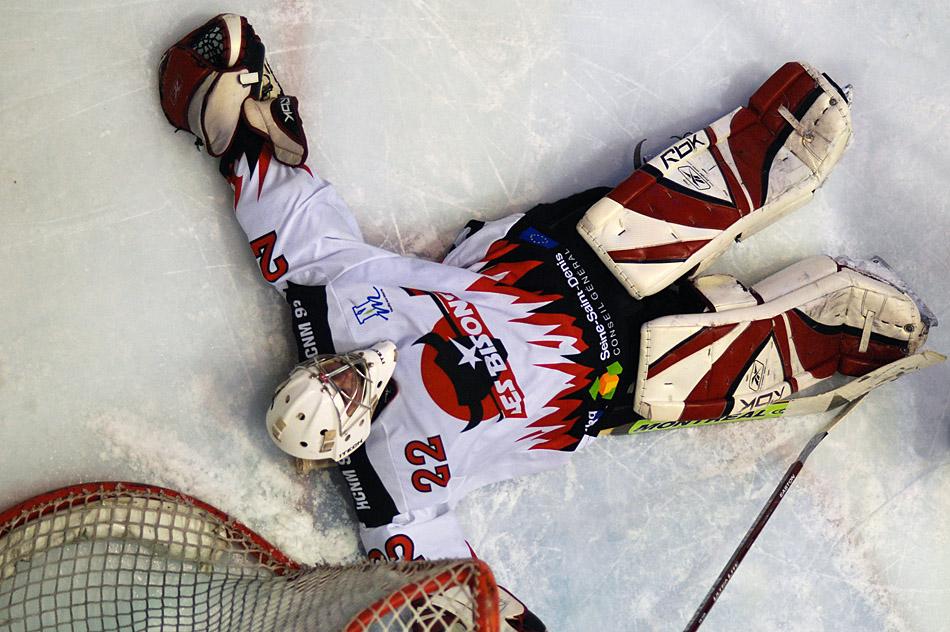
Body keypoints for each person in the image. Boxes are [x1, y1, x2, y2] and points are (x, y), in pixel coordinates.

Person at [158, 15, 937, 631]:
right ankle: (823, 333)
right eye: (344, 395)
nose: (346, 374)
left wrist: (227, 109)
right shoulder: (386, 492)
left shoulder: (324, 297)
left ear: (307, 366)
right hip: (613, 381)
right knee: (721, 359)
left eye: (324, 372)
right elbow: (449, 594)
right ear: (347, 438)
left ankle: (759, 167)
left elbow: (271, 186)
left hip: (563, 261)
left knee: (645, 222)